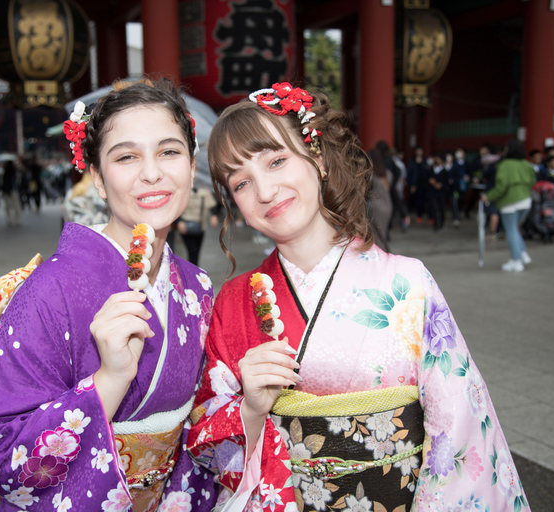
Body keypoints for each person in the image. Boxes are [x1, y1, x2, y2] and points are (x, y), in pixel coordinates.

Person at [186, 83, 530, 511]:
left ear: (318, 157)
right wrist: (251, 410)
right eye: (241, 183)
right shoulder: (234, 302)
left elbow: (457, 423)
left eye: (276, 161)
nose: (266, 191)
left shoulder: (406, 282)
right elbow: (204, 440)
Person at [0, 79, 217, 512]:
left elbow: (196, 424)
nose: (151, 172)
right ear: (96, 177)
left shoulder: (198, 286)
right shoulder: (52, 289)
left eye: (169, 151)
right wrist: (107, 382)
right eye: (126, 156)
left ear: (191, 165)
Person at [483, 139, 535, 272]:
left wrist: (488, 196)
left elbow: (501, 187)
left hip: (510, 203)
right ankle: (522, 253)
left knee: (511, 230)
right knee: (514, 229)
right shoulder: (526, 163)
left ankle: (516, 260)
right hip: (526, 200)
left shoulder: (505, 165)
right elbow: (532, 181)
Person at [177, 186, 217, 265]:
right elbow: (176, 208)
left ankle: (194, 270)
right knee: (192, 250)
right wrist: (179, 221)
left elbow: (213, 205)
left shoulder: (205, 192)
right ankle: (193, 271)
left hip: (200, 226)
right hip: (185, 224)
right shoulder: (183, 192)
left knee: (196, 250)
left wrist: (214, 215)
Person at [367, 148, 393, 252]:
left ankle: (383, 253)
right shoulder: (388, 174)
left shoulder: (371, 175)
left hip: (375, 206)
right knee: (382, 233)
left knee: (377, 235)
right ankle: (385, 252)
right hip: (388, 205)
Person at [1, 160, 22, 226]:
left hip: (8, 191)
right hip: (13, 191)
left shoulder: (6, 173)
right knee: (16, 206)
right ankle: (16, 219)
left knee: (8, 207)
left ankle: (10, 219)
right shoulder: (13, 172)